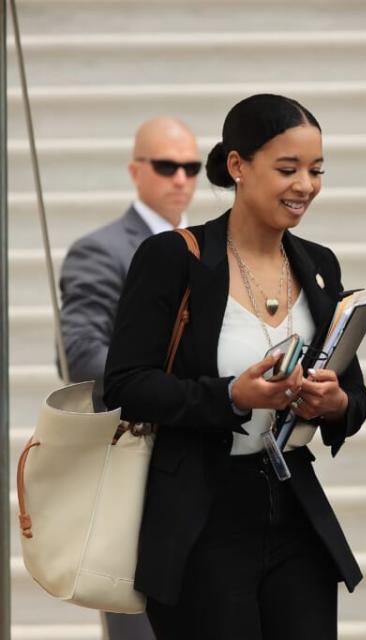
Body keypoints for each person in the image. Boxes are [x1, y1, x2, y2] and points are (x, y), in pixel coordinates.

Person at [103, 94, 366, 639]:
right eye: (288, 169)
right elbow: (126, 386)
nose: (305, 186)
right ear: (237, 166)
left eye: (316, 171)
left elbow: (354, 395)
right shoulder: (172, 258)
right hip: (200, 519)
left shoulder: (318, 264)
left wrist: (334, 402)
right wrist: (231, 397)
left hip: (294, 508)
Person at [58, 116, 200, 640]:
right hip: (134, 466)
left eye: (191, 167)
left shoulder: (207, 249)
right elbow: (81, 354)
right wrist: (177, 392)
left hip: (202, 468)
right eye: (167, 166)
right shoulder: (102, 249)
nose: (181, 178)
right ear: (136, 170)